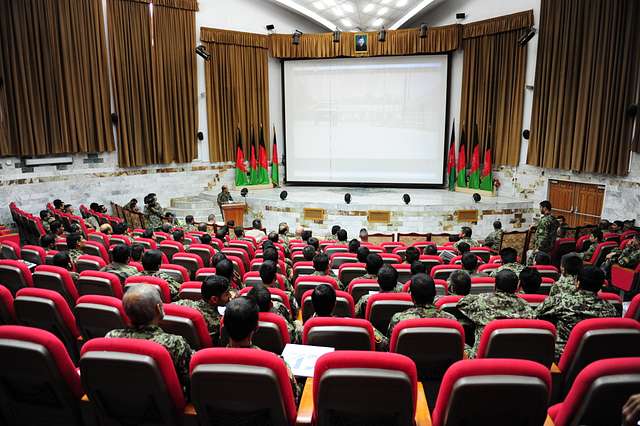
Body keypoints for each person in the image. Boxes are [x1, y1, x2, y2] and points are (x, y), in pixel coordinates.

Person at [106, 285, 193, 390]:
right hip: (163, 403)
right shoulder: (175, 343)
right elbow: (190, 381)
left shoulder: (110, 337)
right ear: (158, 308)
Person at [223, 297, 300, 402]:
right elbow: (294, 396)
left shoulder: (208, 363)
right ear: (256, 327)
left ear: (224, 327)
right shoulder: (275, 363)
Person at [536, 266, 617, 360]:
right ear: (600, 286)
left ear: (578, 283)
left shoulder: (560, 300)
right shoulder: (611, 309)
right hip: (597, 359)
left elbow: (535, 316)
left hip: (560, 357)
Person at [458, 269, 534, 358]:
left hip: (481, 361)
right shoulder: (526, 306)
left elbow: (461, 303)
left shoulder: (482, 300)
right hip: (515, 359)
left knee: (457, 342)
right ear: (517, 287)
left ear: (495, 286)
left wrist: (483, 295)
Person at [387, 273, 456, 337]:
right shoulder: (451, 320)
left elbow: (391, 346)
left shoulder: (398, 320)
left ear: (412, 297)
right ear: (435, 294)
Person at [175, 275, 231, 346]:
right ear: (214, 299)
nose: (230, 296)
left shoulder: (183, 303)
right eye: (226, 294)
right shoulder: (219, 324)